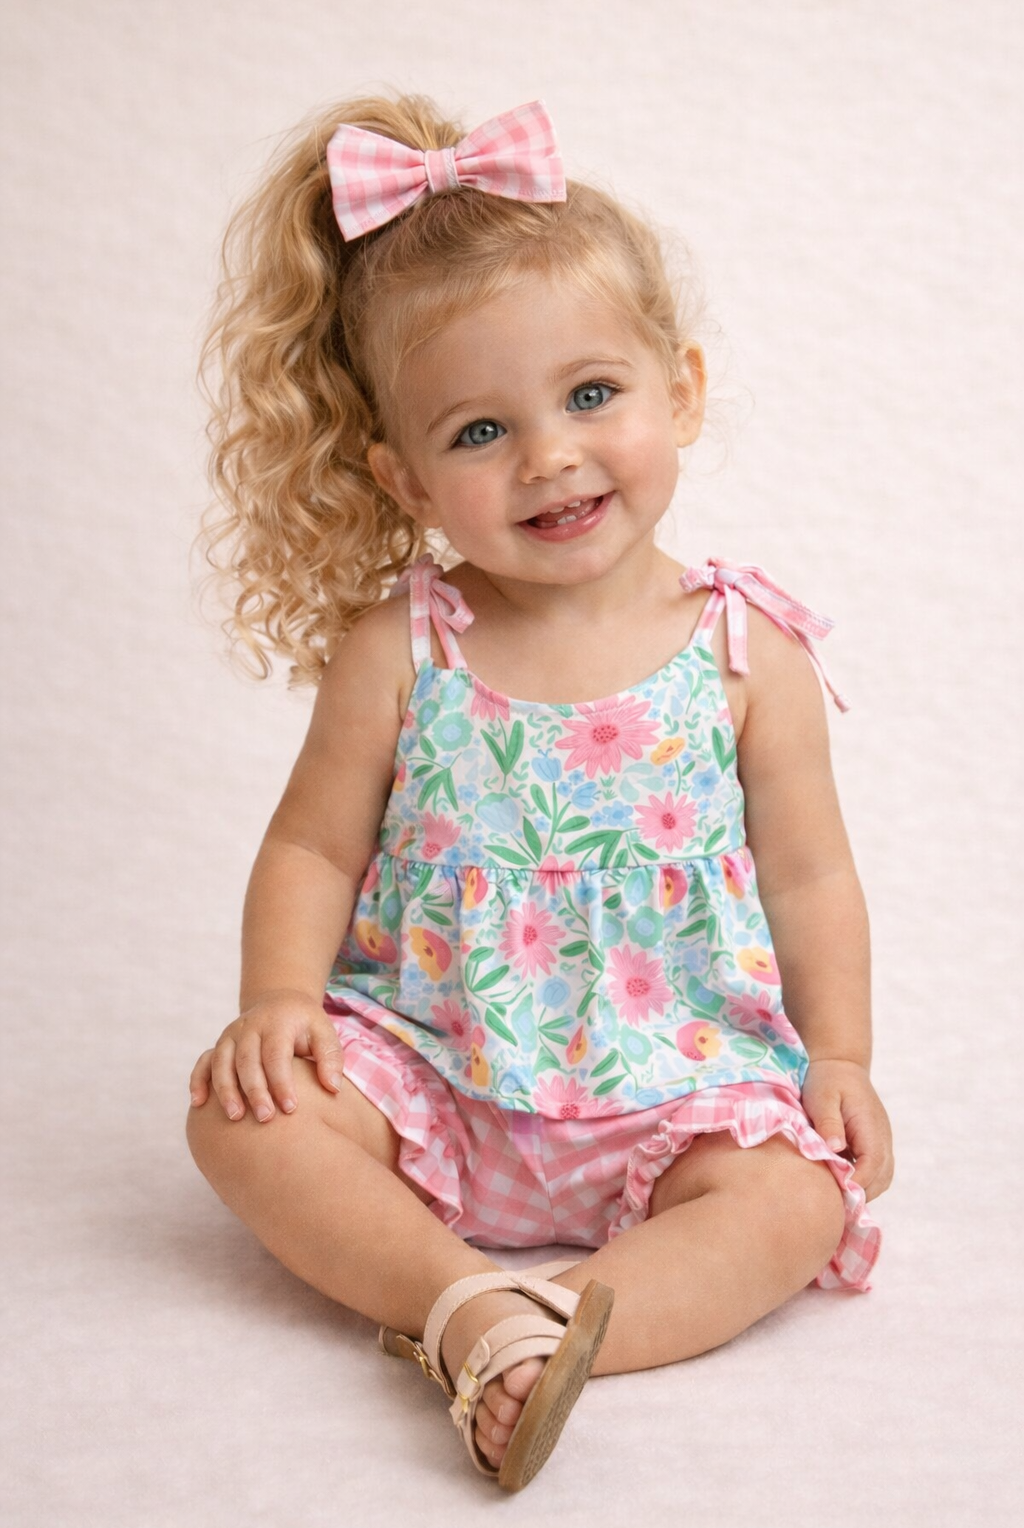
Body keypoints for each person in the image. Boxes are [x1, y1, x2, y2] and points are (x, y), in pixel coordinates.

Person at [186, 95, 893, 1493]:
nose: (550, 455)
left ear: (678, 389)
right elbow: (313, 849)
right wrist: (277, 1007)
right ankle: (459, 1299)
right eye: (478, 430)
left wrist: (843, 1058)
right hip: (434, 1072)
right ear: (402, 476)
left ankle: (569, 1323)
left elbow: (814, 878)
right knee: (240, 1120)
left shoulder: (750, 656)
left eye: (590, 396)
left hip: (673, 1085)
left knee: (795, 1197)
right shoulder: (404, 650)